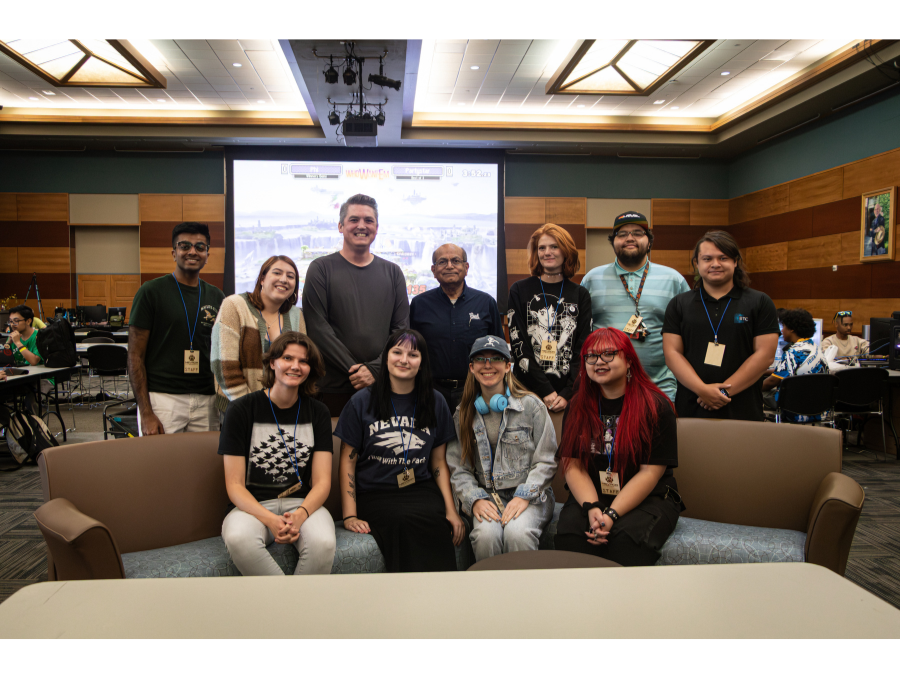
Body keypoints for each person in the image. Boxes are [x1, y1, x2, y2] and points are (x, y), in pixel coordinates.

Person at [334, 328, 464, 572]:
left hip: (420, 489)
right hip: (374, 493)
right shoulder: (361, 401)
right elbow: (347, 461)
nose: (404, 360)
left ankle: (441, 598)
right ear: (386, 357)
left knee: (434, 521)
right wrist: (350, 515)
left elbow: (438, 462)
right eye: (397, 352)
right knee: (401, 521)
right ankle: (403, 601)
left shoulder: (435, 401)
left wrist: (451, 509)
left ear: (422, 362)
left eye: (413, 355)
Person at [554, 327, 683, 566]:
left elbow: (650, 473)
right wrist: (592, 507)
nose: (598, 362)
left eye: (609, 354)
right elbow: (573, 466)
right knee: (571, 537)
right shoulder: (577, 406)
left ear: (629, 361)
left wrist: (611, 515)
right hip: (593, 492)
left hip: (647, 497)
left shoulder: (656, 406)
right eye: (591, 356)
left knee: (625, 541)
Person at [219, 332, 336, 575]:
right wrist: (271, 520)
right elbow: (234, 485)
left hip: (302, 504)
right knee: (239, 538)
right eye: (287, 358)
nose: (295, 366)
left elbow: (323, 482)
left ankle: (292, 610)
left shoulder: (318, 412)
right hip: (252, 506)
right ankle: (288, 607)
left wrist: (301, 515)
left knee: (323, 543)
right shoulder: (241, 409)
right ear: (272, 363)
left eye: (303, 361)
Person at [446, 335, 557, 562]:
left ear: (508, 366)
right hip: (486, 497)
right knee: (486, 536)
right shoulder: (463, 413)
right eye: (481, 359)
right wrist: (475, 499)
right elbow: (458, 468)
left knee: (518, 533)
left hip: (530, 497)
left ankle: (523, 597)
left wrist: (524, 495)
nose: (488, 365)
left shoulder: (532, 406)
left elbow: (546, 460)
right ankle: (490, 596)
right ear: (472, 368)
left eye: (496, 358)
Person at [303, 194, 409, 417]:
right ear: (341, 226)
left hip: (382, 386)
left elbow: (401, 332)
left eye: (368, 220)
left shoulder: (393, 272)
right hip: (332, 389)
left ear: (377, 228)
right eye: (354, 220)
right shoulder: (320, 268)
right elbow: (318, 329)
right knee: (332, 451)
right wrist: (358, 371)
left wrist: (375, 370)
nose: (361, 226)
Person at [662, 230, 779, 421]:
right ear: (696, 264)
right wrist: (703, 390)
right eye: (707, 258)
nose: (715, 264)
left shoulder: (760, 301)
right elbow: (672, 353)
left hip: (743, 407)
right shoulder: (679, 304)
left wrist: (722, 393)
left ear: (735, 261)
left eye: (723, 257)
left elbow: (765, 356)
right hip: (692, 404)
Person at [581, 211, 690, 401]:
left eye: (638, 233)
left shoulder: (673, 279)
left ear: (649, 240)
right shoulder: (592, 278)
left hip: (660, 387)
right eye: (621, 234)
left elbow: (688, 332)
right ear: (613, 241)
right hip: (605, 388)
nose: (629, 238)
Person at [128, 222, 225, 435]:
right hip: (163, 400)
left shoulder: (217, 297)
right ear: (174, 253)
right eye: (185, 246)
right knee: (163, 467)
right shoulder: (151, 292)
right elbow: (135, 355)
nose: (192, 251)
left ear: (208, 254)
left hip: (206, 399)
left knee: (203, 467)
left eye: (200, 247)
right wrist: (145, 412)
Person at [507, 224, 592, 413]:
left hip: (569, 395)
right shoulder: (519, 289)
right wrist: (545, 390)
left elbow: (583, 347)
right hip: (527, 391)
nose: (547, 252)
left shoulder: (580, 294)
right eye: (542, 248)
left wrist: (568, 392)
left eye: (554, 246)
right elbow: (518, 343)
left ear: (566, 250)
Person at [409, 244, 502, 413]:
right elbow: (411, 349)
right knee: (435, 439)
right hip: (430, 391)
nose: (449, 266)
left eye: (456, 261)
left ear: (466, 268)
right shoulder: (419, 304)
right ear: (434, 269)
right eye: (442, 261)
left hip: (474, 391)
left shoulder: (486, 303)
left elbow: (499, 351)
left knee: (470, 439)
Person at [212, 255, 305, 424]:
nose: (284, 280)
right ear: (262, 278)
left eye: (291, 277)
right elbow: (223, 366)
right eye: (277, 273)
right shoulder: (234, 305)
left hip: (283, 411)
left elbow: (302, 363)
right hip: (239, 410)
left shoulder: (296, 315)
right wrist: (251, 408)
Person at [762, 308, 830, 422]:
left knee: (755, 394)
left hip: (794, 408)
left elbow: (772, 381)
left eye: (783, 326)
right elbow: (796, 369)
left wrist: (752, 388)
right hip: (817, 407)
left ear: (792, 329)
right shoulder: (815, 349)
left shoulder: (792, 352)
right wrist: (764, 371)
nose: (782, 330)